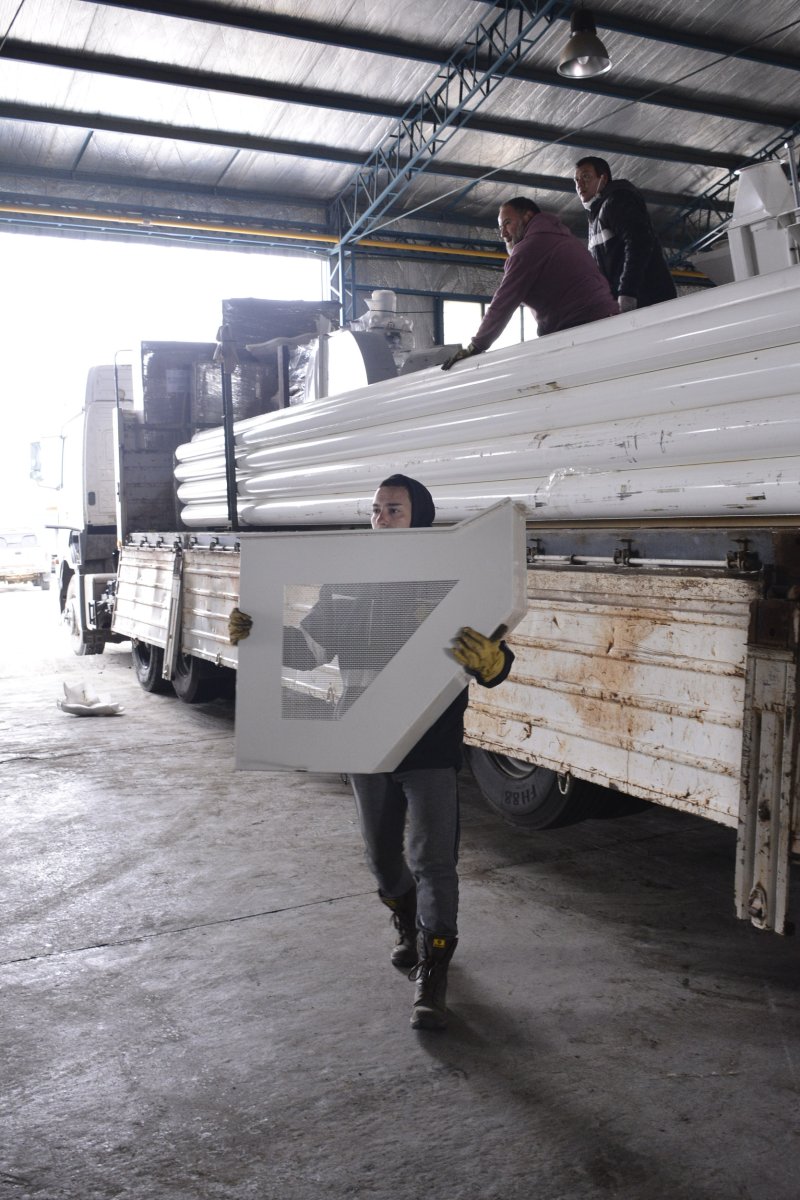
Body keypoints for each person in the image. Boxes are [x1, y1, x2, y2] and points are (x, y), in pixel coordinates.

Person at [228, 474, 515, 1033]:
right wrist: (259, 635)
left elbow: (495, 657)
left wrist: (493, 663)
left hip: (430, 741)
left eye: (395, 509)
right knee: (383, 860)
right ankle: (407, 922)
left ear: (420, 518)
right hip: (363, 739)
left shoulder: (448, 579)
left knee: (433, 860)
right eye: (377, 509)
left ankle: (433, 970)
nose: (382, 518)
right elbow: (310, 649)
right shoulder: (348, 583)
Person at [441, 196, 618, 369]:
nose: (503, 233)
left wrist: (476, 346)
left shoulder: (529, 249)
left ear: (527, 216)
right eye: (500, 227)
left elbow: (503, 303)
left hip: (578, 332)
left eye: (507, 223)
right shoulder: (565, 238)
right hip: (611, 323)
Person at [573, 156, 677, 312]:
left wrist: (627, 292)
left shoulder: (617, 200)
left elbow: (639, 241)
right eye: (576, 180)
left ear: (603, 179)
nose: (580, 184)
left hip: (647, 301)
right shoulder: (594, 219)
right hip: (626, 306)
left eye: (586, 177)